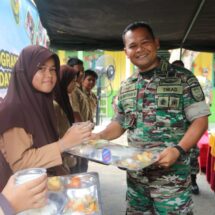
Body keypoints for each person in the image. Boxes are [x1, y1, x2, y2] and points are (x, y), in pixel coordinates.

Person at [92, 21, 210, 214]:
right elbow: (119, 123)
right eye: (133, 46)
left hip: (172, 182)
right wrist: (100, 136)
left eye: (145, 42)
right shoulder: (127, 86)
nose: (140, 49)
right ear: (126, 52)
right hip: (136, 181)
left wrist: (179, 149)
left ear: (156, 43)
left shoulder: (182, 78)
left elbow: (200, 120)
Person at [0, 45, 92, 191]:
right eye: (41, 68)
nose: (49, 75)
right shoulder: (13, 110)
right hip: (23, 197)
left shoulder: (42, 103)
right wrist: (64, 143)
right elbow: (20, 164)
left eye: (52, 69)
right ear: (26, 71)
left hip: (45, 187)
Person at [172, 60, 200, 195]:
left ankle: (193, 181)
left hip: (189, 131)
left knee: (193, 158)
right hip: (174, 133)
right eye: (175, 68)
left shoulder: (189, 85)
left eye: (180, 69)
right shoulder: (168, 86)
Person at [69, 69, 98, 173]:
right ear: (83, 80)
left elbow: (91, 113)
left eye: (94, 81)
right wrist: (83, 130)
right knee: (76, 160)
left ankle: (83, 178)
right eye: (89, 79)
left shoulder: (93, 96)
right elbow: (75, 112)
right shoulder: (76, 92)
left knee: (85, 160)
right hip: (79, 132)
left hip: (87, 132)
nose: (91, 82)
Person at [67, 57, 85, 122]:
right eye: (78, 71)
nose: (82, 73)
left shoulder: (81, 88)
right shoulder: (72, 89)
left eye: (83, 70)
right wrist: (83, 127)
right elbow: (75, 112)